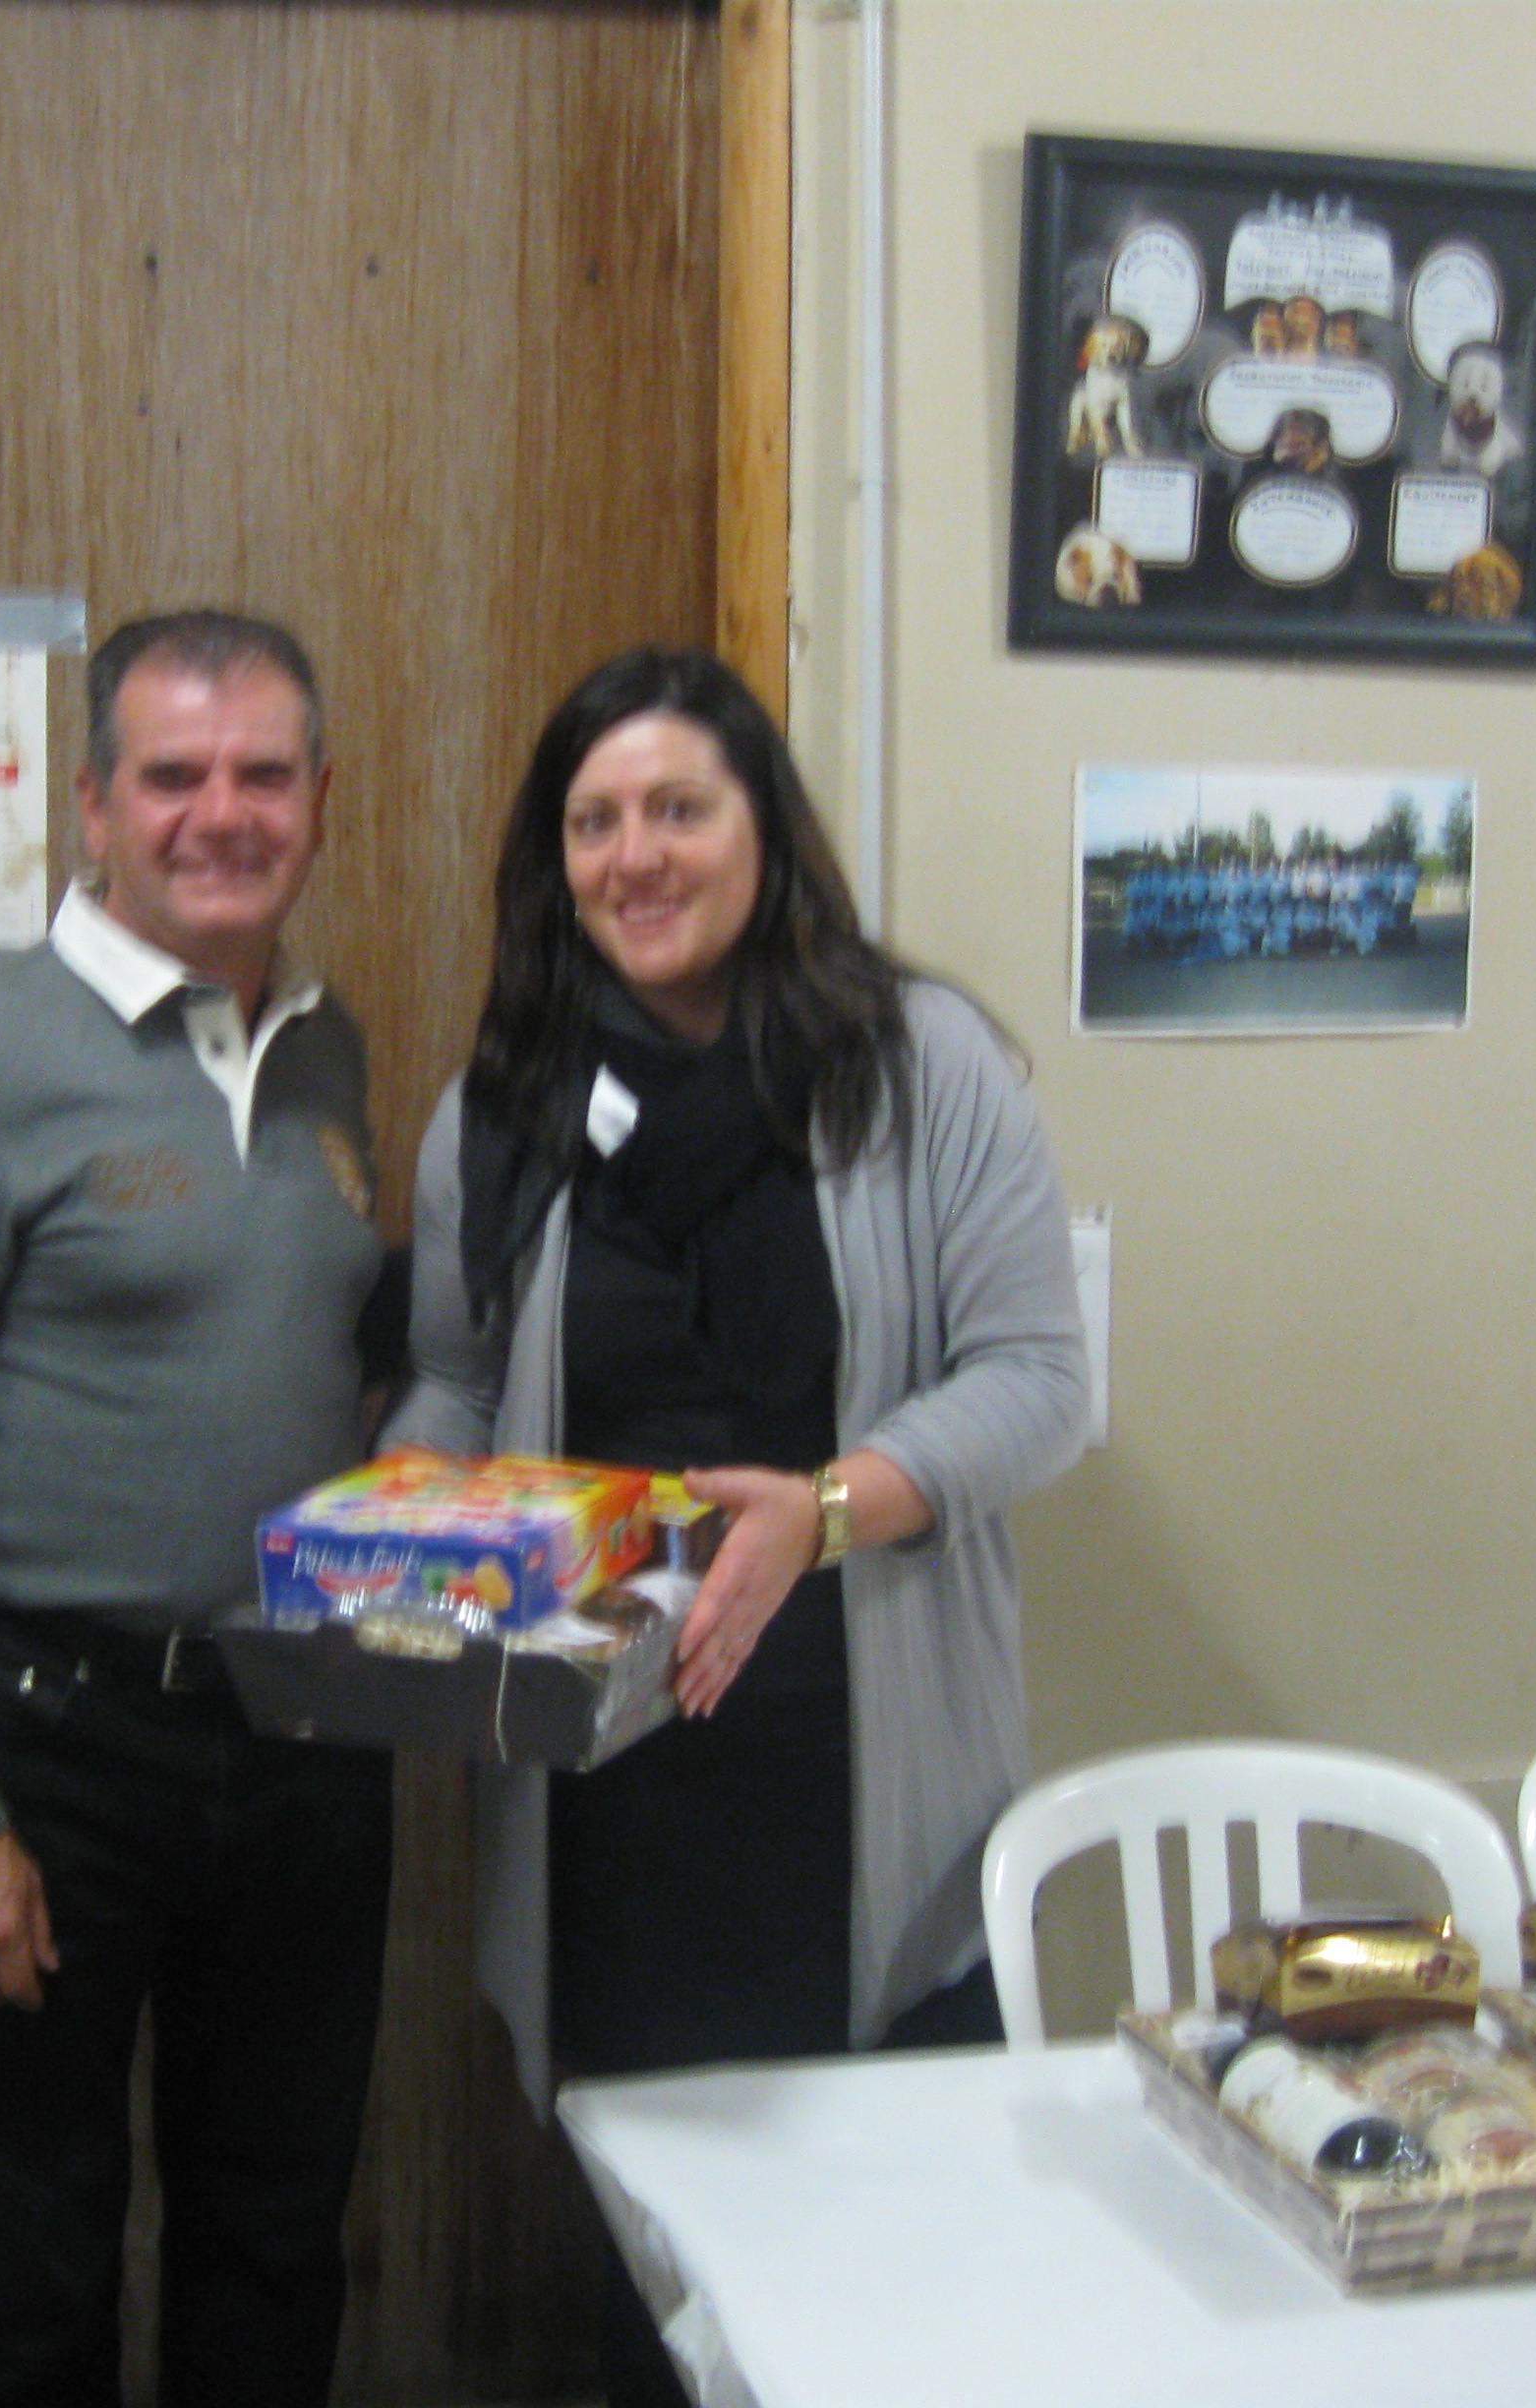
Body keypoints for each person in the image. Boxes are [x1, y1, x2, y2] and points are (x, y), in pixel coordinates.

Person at [383, 646, 1089, 2408]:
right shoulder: (504, 1107)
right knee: (663, 2288)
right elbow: (455, 1380)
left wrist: (825, 1514)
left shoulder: (918, 1067)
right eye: (594, 822)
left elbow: (1035, 1381)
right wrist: (399, 1530)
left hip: (863, 1777)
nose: (636, 855)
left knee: (897, 2299)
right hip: (611, 1798)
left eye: (679, 809)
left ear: (764, 828)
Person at [0, 608, 394, 2408]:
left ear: (321, 799)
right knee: (30, 2282)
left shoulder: (330, 1052)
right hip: (53, 1759)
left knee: (276, 2248)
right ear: (91, 806)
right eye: (173, 775)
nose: (222, 813)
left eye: (263, 774)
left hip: (306, 1741)